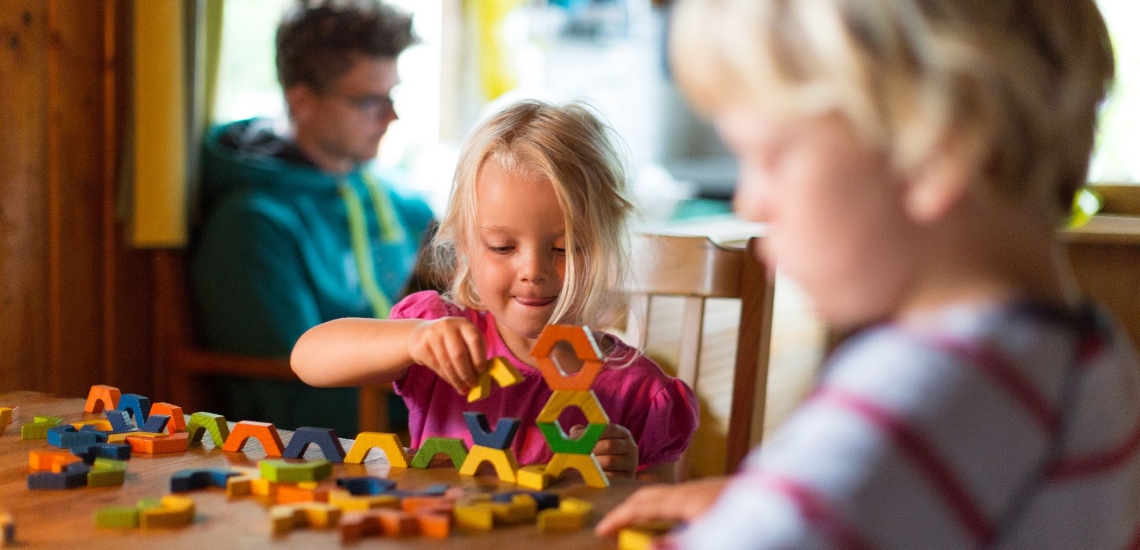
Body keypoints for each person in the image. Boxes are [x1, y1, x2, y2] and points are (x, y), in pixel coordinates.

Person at [597, 0, 1140, 547]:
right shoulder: (1083, 352)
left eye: (768, 155)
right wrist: (769, 502)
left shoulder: (919, 389)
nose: (749, 199)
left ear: (933, 147)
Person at [292, 100, 699, 480]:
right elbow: (308, 358)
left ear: (605, 246)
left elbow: (665, 517)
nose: (533, 271)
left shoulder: (640, 393)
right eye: (503, 247)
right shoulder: (442, 339)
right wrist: (415, 340)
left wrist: (629, 477)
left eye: (563, 248)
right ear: (466, 245)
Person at [191, 0, 434, 436]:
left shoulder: (407, 206)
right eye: (368, 101)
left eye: (392, 97)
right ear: (301, 101)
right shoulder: (252, 226)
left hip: (420, 427)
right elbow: (293, 401)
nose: (391, 117)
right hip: (332, 454)